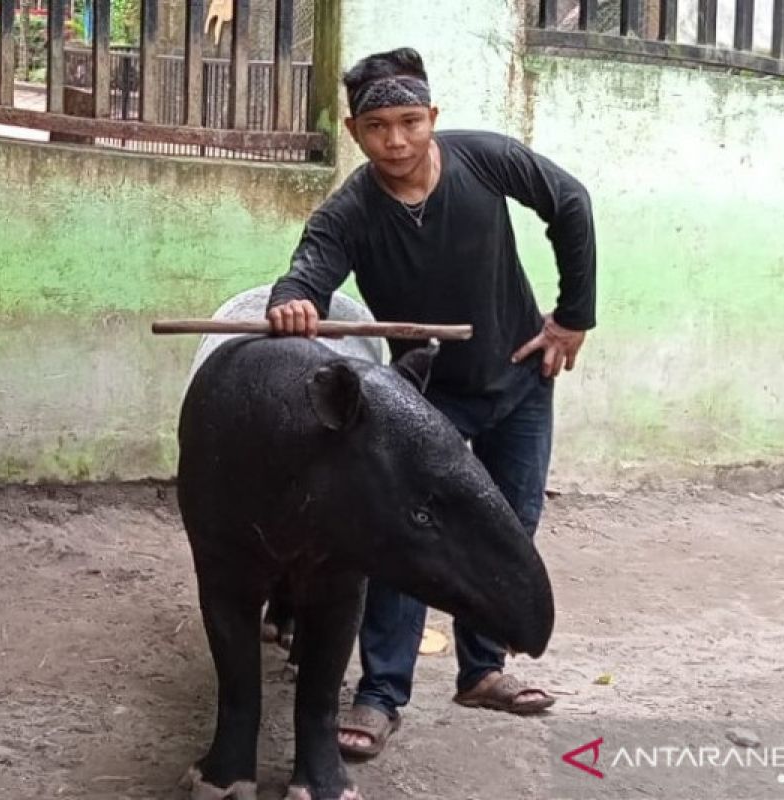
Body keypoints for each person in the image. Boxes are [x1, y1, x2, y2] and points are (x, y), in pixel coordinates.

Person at [264, 46, 597, 760]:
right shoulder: (351, 209)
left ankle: (483, 670)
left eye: (410, 121)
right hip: (423, 402)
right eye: (378, 125)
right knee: (404, 539)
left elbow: (571, 203)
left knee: (510, 523)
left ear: (432, 118)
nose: (397, 141)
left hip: (519, 382)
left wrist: (573, 317)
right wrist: (293, 305)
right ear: (355, 131)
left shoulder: (486, 159)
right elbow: (305, 277)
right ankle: (381, 694)